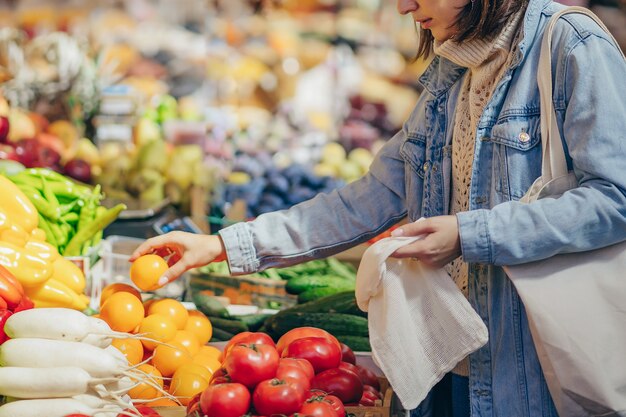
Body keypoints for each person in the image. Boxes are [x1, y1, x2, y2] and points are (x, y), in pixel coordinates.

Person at [131, 0, 626, 415]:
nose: (404, 7)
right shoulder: (452, 75)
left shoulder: (570, 46)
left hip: (531, 379)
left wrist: (470, 233)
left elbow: (616, 197)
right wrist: (221, 244)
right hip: (444, 363)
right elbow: (367, 198)